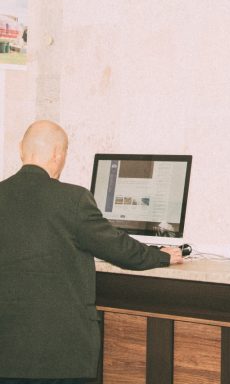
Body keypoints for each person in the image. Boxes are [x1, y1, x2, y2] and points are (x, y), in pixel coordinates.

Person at [0, 120, 183, 384]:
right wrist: (162, 255)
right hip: (59, 357)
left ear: (21, 149)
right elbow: (119, 248)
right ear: (58, 154)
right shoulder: (73, 199)